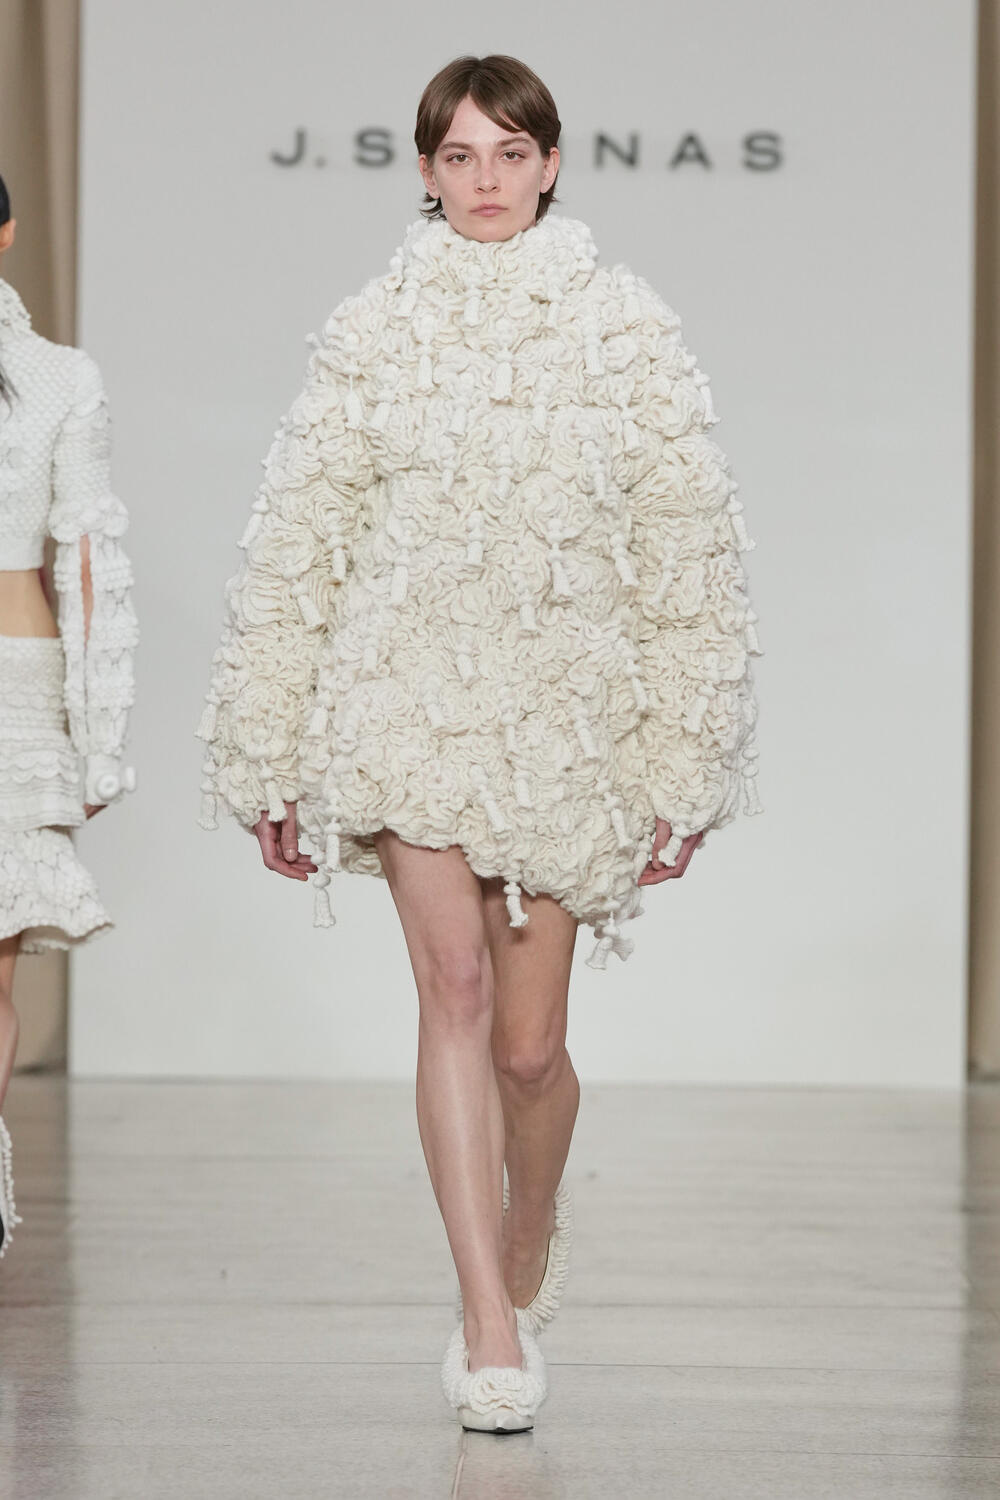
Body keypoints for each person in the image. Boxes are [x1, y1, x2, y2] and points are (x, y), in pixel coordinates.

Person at [196, 54, 763, 1432]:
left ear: (551, 165)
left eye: (510, 154)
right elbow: (299, 538)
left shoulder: (624, 328)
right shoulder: (372, 330)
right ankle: (486, 1317)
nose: (487, 180)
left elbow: (686, 549)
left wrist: (685, 757)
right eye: (459, 156)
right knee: (448, 991)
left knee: (527, 1049)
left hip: (566, 714)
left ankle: (531, 1224)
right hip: (405, 697)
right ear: (426, 172)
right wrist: (266, 746)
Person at [0, 174, 138, 1260]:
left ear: (6, 231)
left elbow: (87, 564)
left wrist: (95, 737)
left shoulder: (55, 377)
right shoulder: (59, 377)